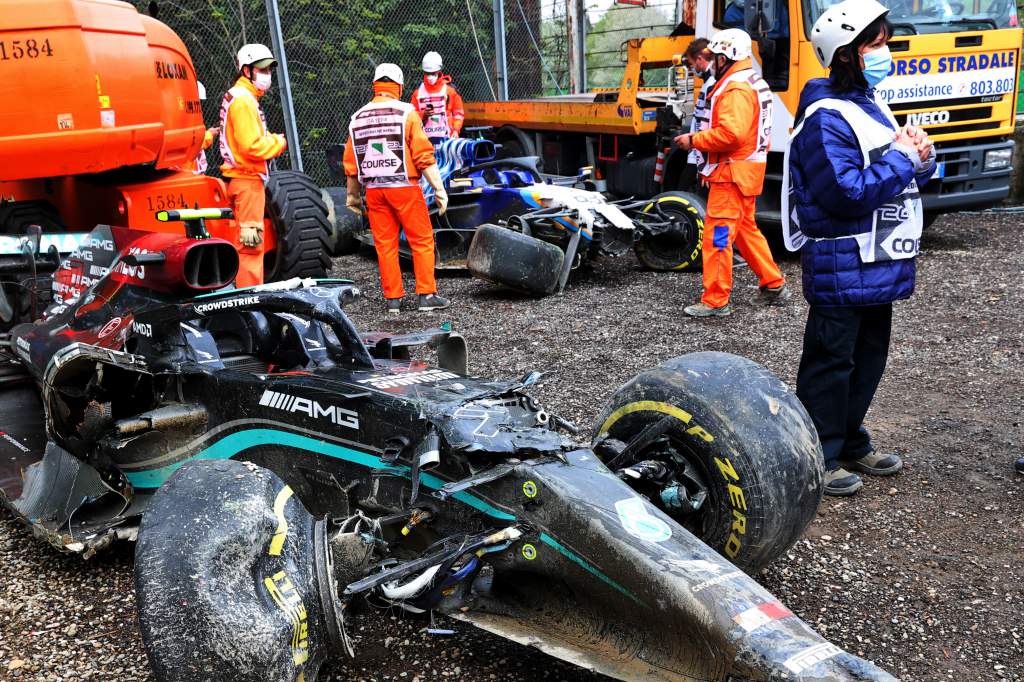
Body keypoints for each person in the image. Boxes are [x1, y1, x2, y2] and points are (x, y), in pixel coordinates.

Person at [782, 0, 937, 496]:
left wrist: (923, 156)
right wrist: (902, 158)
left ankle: (849, 439)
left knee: (867, 360)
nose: (885, 52)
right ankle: (818, 455)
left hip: (877, 260)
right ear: (847, 54)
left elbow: (894, 168)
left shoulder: (868, 102)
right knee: (831, 362)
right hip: (843, 259)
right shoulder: (826, 115)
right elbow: (846, 192)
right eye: (876, 44)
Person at [675, 28, 789, 317]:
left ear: (726, 57)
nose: (712, 61)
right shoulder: (752, 80)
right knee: (745, 231)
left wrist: (694, 141)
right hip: (747, 172)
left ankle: (715, 300)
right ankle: (773, 283)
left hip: (731, 174)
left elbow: (731, 134)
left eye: (715, 56)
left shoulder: (734, 88)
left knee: (718, 237)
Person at [343, 63, 450, 314]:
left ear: (376, 85)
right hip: (404, 188)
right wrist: (439, 188)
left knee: (385, 244)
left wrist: (352, 196)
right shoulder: (407, 112)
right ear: (399, 86)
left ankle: (393, 300)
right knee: (421, 240)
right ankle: (426, 296)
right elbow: (423, 155)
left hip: (374, 191)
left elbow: (351, 163)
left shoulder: (357, 118)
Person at [219, 44, 288, 287]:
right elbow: (252, 146)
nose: (267, 74)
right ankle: (251, 302)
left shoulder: (241, 97)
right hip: (247, 181)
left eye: (269, 69)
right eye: (262, 69)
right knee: (250, 246)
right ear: (246, 70)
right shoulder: (244, 101)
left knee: (246, 244)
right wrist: (278, 142)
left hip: (243, 180)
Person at [678, 38, 713, 192]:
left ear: (699, 59)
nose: (692, 68)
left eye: (692, 64)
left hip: (701, 153)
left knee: (684, 194)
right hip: (698, 150)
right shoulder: (709, 83)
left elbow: (707, 121)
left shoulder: (712, 84)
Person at [411, 51, 465, 145]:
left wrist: (456, 130)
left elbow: (458, 113)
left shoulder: (450, 90)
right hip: (424, 141)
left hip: (448, 139)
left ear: (439, 71)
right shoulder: (417, 93)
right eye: (427, 73)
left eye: (433, 73)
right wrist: (423, 114)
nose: (430, 76)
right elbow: (412, 117)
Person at [183, 82, 219, 175]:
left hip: (190, 170)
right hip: (186, 172)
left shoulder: (188, 118)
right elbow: (193, 144)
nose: (198, 105)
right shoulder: (184, 120)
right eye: (198, 101)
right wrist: (209, 134)